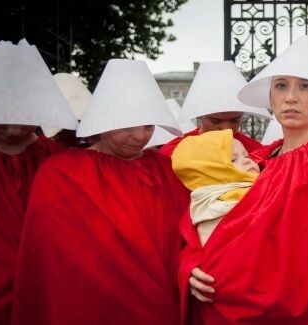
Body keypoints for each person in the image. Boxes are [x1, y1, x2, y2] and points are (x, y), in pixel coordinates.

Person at [180, 35, 308, 323]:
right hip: (229, 303)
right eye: (281, 86)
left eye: (305, 86)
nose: (291, 97)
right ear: (270, 97)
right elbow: (201, 219)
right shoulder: (254, 159)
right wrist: (191, 266)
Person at [11, 59, 190, 325]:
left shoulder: (168, 168)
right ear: (103, 122)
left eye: (148, 125)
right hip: (90, 304)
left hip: (161, 300)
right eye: (128, 127)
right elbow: (51, 259)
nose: (140, 136)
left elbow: (188, 235)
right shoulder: (60, 173)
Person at [0, 40, 77, 325]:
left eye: (24, 119)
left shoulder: (59, 160)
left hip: (46, 287)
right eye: (2, 120)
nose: (13, 130)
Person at [158, 61, 270, 156]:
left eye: (234, 120)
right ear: (200, 115)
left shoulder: (256, 152)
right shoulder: (173, 152)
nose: (226, 129)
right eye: (216, 121)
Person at [171, 129, 259, 245]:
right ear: (211, 171)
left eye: (246, 156)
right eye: (233, 160)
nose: (247, 161)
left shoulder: (256, 185)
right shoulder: (221, 202)